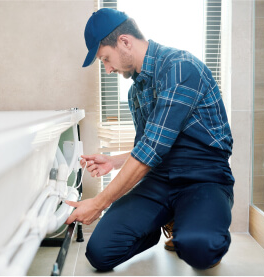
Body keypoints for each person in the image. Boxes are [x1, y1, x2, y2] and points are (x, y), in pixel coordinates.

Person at [65, 8, 234, 271]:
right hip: (159, 179)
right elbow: (148, 147)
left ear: (124, 42)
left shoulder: (180, 68)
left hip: (203, 177)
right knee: (100, 252)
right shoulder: (136, 92)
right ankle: (163, 221)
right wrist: (114, 161)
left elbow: (150, 152)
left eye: (106, 59)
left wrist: (98, 203)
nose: (108, 69)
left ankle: (189, 224)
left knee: (199, 248)